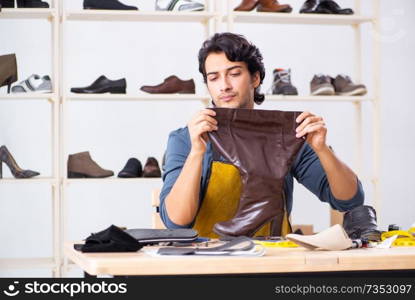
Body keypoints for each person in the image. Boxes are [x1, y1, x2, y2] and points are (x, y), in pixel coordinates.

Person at [159, 32, 364, 238]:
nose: (224, 85)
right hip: (206, 259)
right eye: (214, 78)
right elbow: (176, 221)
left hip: (271, 257)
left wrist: (322, 149)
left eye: (235, 73)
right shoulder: (186, 139)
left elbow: (349, 200)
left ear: (255, 78)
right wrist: (196, 152)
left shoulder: (285, 133)